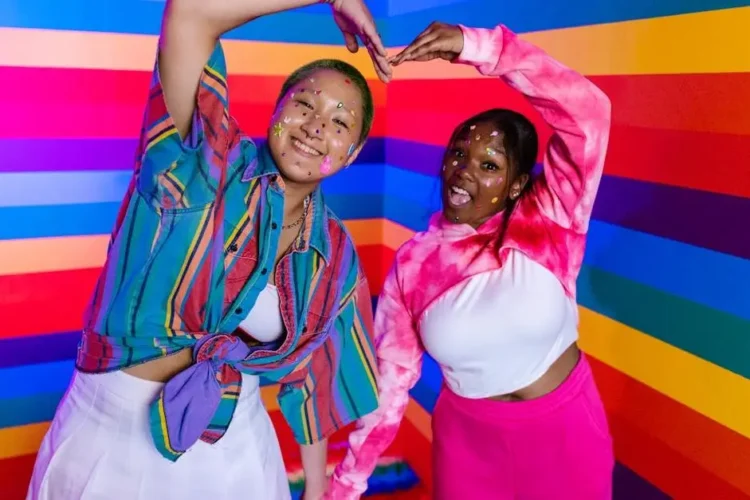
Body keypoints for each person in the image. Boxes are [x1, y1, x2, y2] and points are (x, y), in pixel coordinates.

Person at [26, 1, 391, 499]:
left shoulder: (334, 254)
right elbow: (191, 12)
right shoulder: (202, 158)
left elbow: (316, 382)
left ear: (350, 155)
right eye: (304, 104)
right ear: (277, 109)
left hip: (237, 454)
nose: (315, 127)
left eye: (339, 122)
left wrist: (315, 490)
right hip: (108, 442)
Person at [326, 20, 614, 500]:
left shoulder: (551, 217)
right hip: (469, 448)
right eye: (458, 154)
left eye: (490, 166)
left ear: (517, 184)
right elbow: (390, 388)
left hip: (564, 434)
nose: (464, 172)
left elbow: (589, 112)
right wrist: (348, 483)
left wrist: (483, 48)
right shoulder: (414, 264)